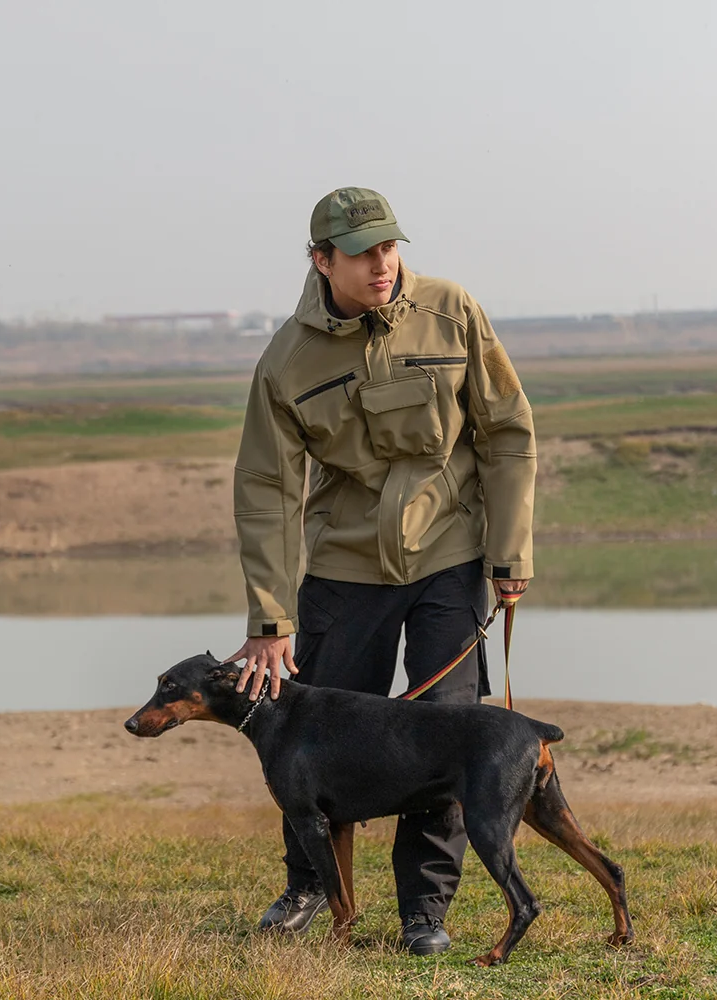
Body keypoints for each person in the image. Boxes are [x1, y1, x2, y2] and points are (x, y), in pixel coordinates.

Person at [226, 187, 536, 955]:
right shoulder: (286, 360)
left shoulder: (452, 310)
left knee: (445, 735)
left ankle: (423, 911)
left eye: (390, 247)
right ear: (321, 260)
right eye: (362, 253)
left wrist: (509, 551)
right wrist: (270, 617)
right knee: (310, 738)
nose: (381, 265)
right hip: (343, 568)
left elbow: (505, 432)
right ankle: (309, 884)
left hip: (449, 555)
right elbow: (266, 490)